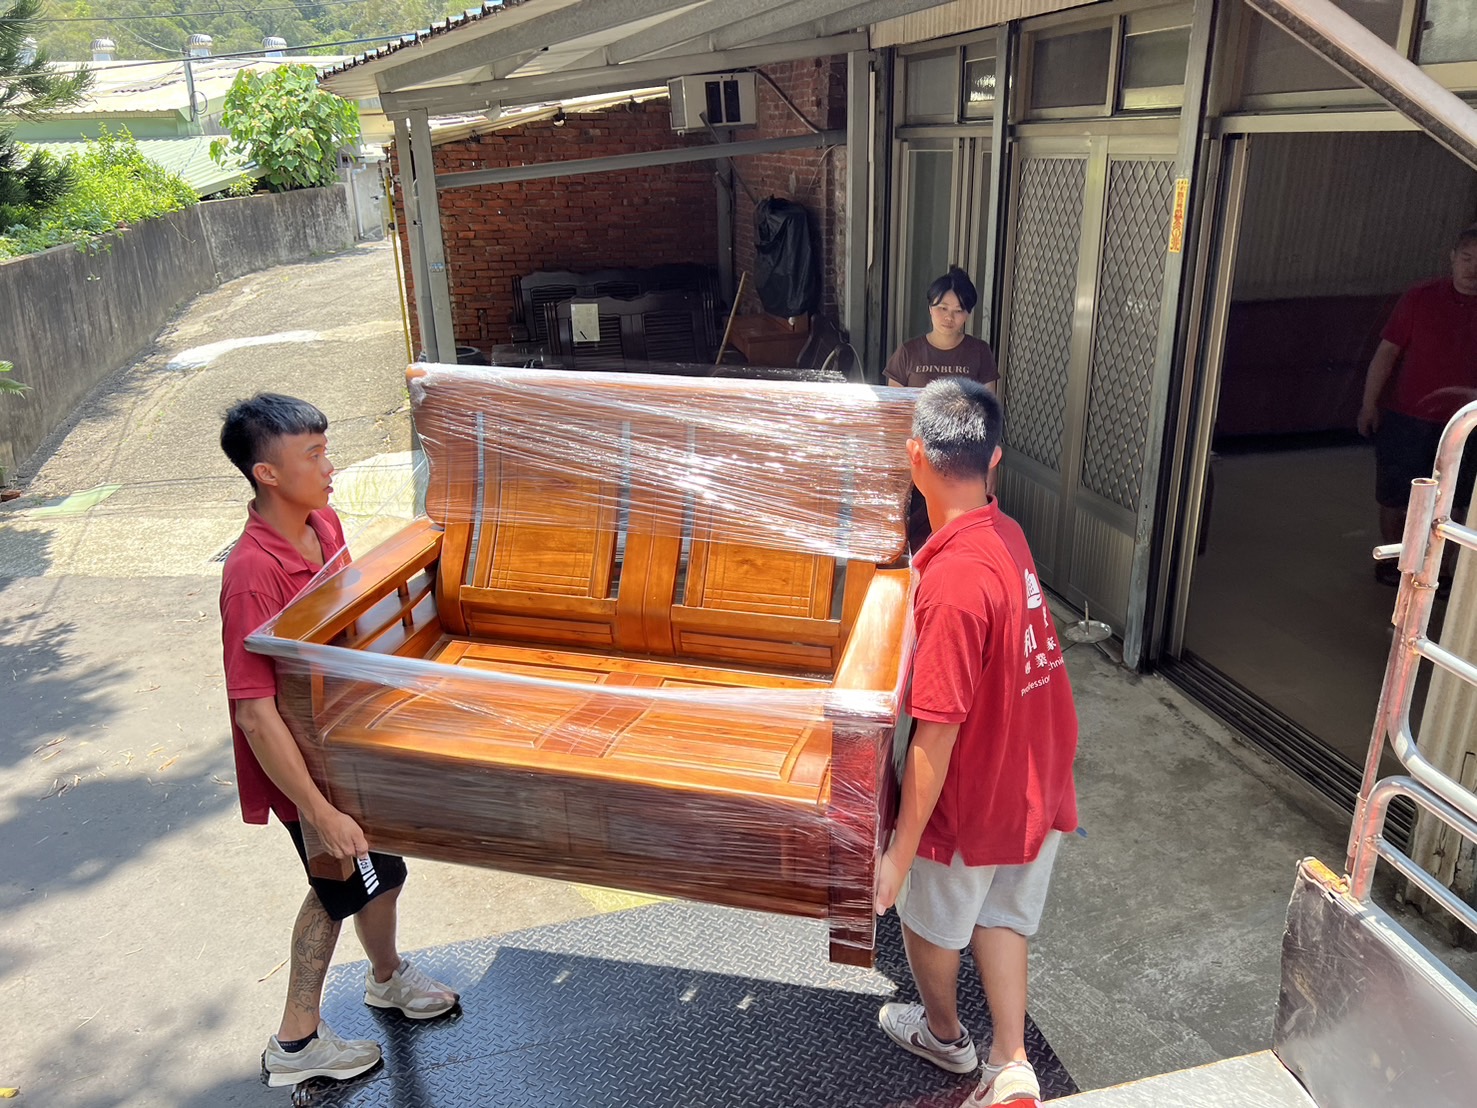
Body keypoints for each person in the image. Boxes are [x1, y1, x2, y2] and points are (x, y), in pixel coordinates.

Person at [218, 394, 458, 1090]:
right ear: (267, 473)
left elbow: (344, 631)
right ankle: (295, 1043)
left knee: (385, 872)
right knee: (336, 888)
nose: (330, 467)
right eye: (314, 455)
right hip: (305, 770)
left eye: (327, 449)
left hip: (347, 749)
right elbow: (255, 713)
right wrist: (318, 811)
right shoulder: (251, 574)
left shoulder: (323, 525)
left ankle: (385, 977)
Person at [875, 379, 1079, 1106]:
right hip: (1037, 773)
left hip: (975, 792)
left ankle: (945, 1036)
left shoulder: (953, 583)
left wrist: (898, 856)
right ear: (993, 458)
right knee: (1001, 916)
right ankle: (1010, 1060)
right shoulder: (1005, 533)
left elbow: (935, 736)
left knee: (929, 925)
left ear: (914, 457)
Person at [1358, 227, 1477, 585]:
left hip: (1467, 424)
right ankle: (1395, 564)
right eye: (1467, 258)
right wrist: (1369, 404)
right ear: (1452, 258)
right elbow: (1387, 353)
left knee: (1457, 502)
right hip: (1407, 417)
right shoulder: (1420, 297)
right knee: (1396, 495)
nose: (1473, 269)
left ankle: (1438, 572)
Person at [885, 266, 999, 554]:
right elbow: (894, 415)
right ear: (930, 308)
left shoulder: (979, 353)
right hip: (918, 461)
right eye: (942, 308)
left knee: (959, 538)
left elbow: (988, 417)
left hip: (964, 463)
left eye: (959, 310)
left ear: (968, 314)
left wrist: (990, 470)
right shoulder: (908, 353)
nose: (949, 317)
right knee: (912, 538)